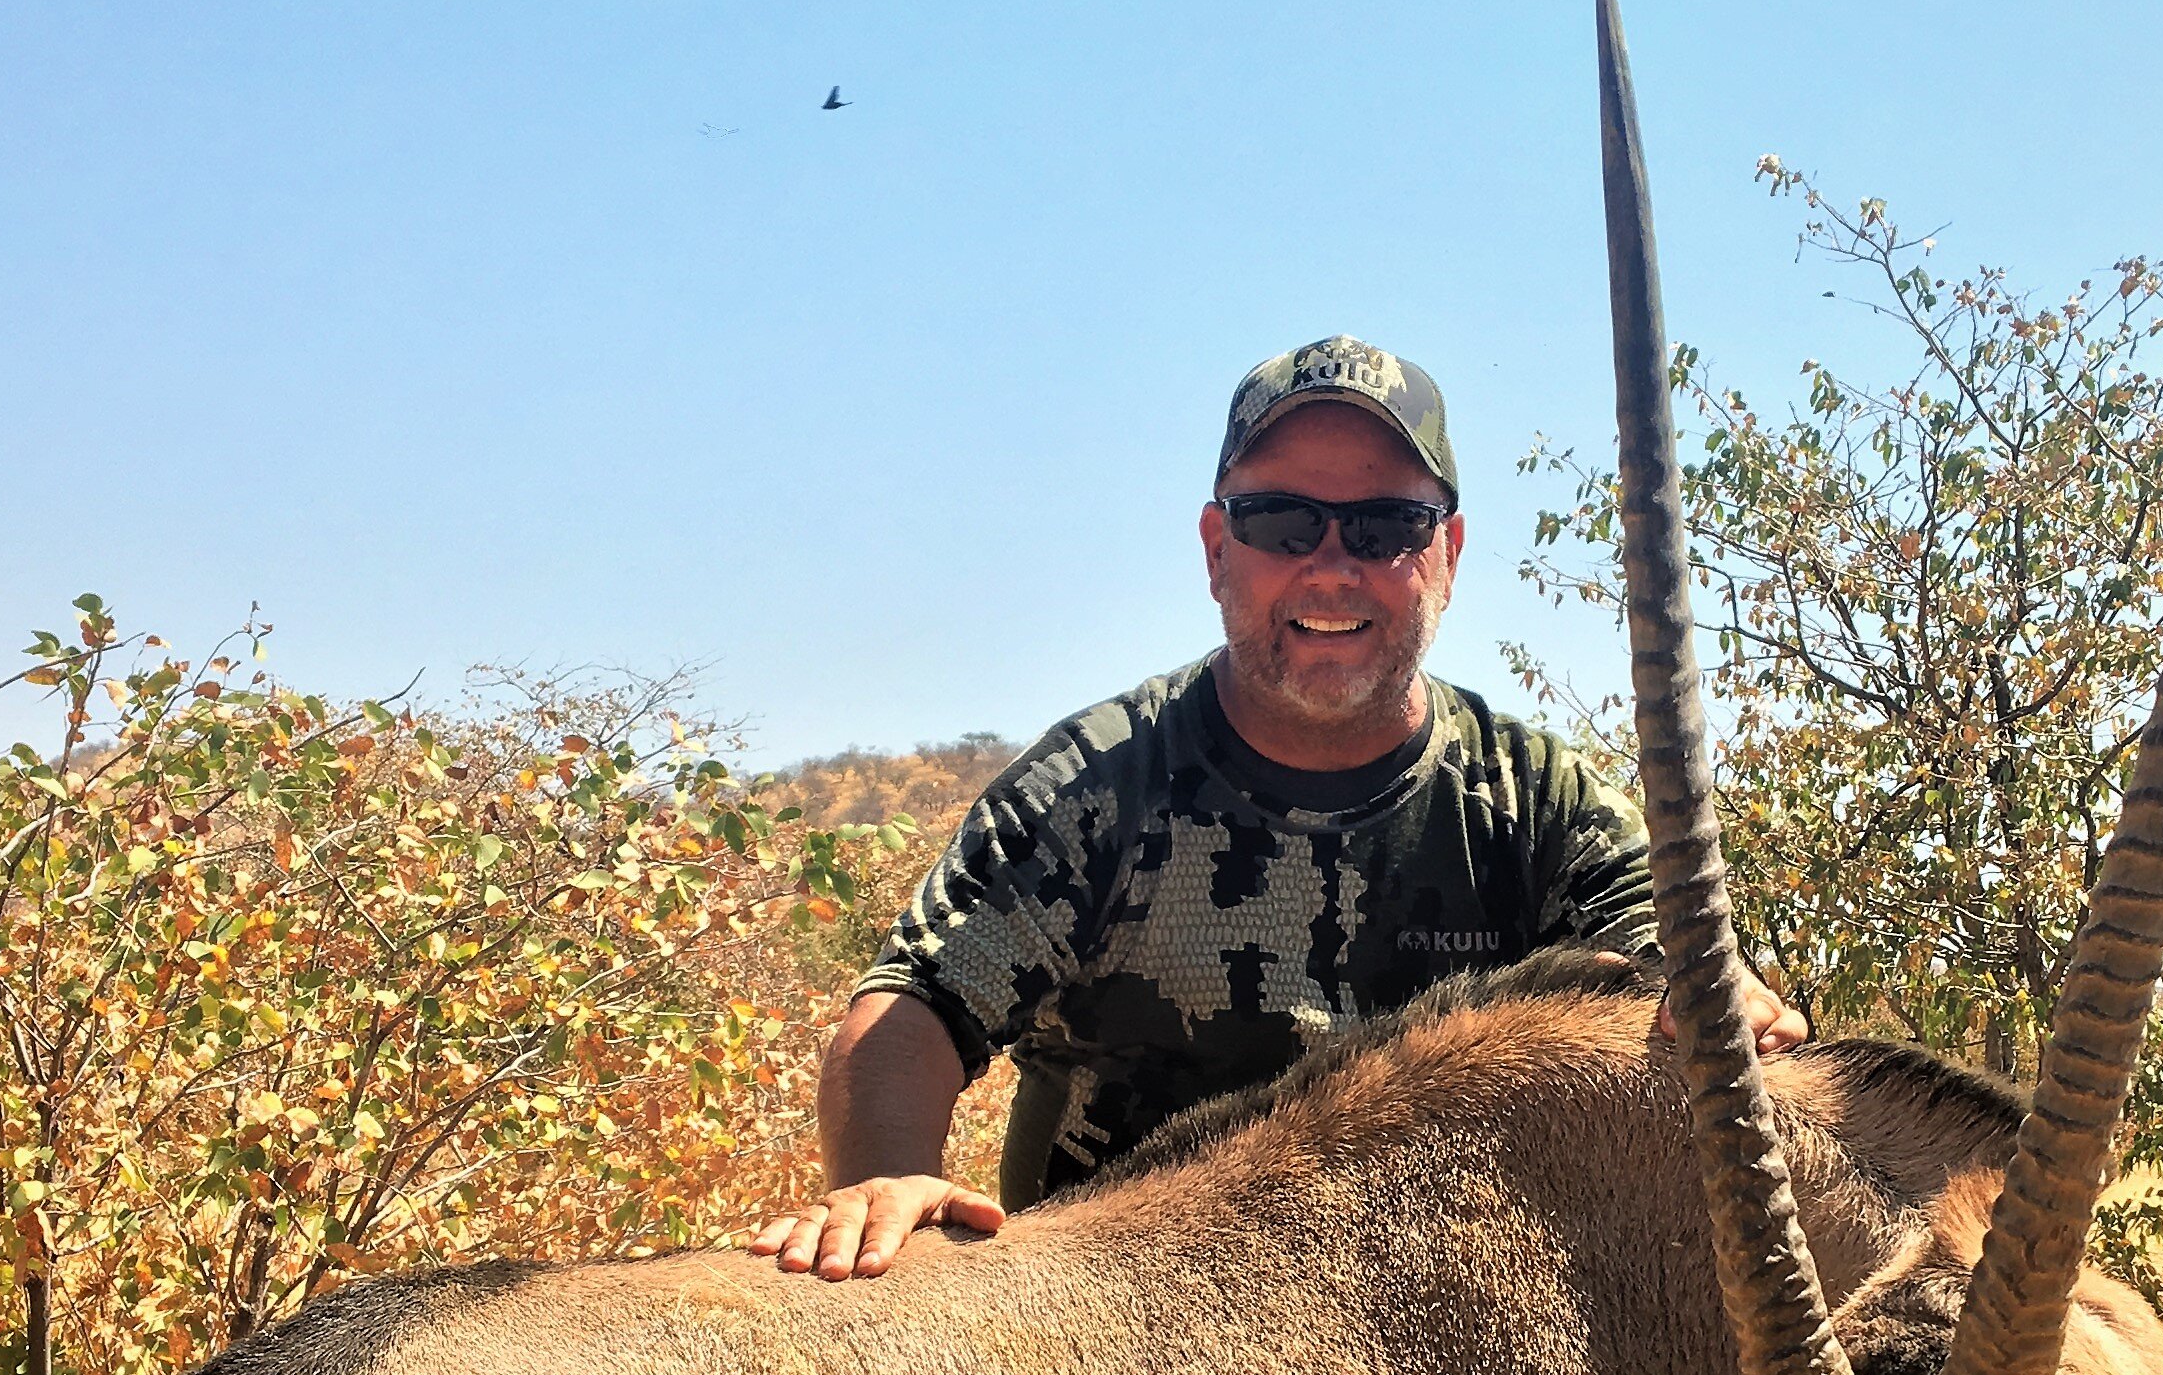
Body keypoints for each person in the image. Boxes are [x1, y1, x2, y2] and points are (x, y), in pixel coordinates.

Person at [750, 335, 1807, 1279]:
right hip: (1102, 1340)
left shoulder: (1539, 801)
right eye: (1281, 519)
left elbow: (1675, 961)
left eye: (1387, 525)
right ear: (1217, 549)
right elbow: (916, 1006)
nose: (1332, 566)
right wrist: (887, 1179)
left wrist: (1723, 1003)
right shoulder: (1098, 781)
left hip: (1438, 1352)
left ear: (1449, 555)